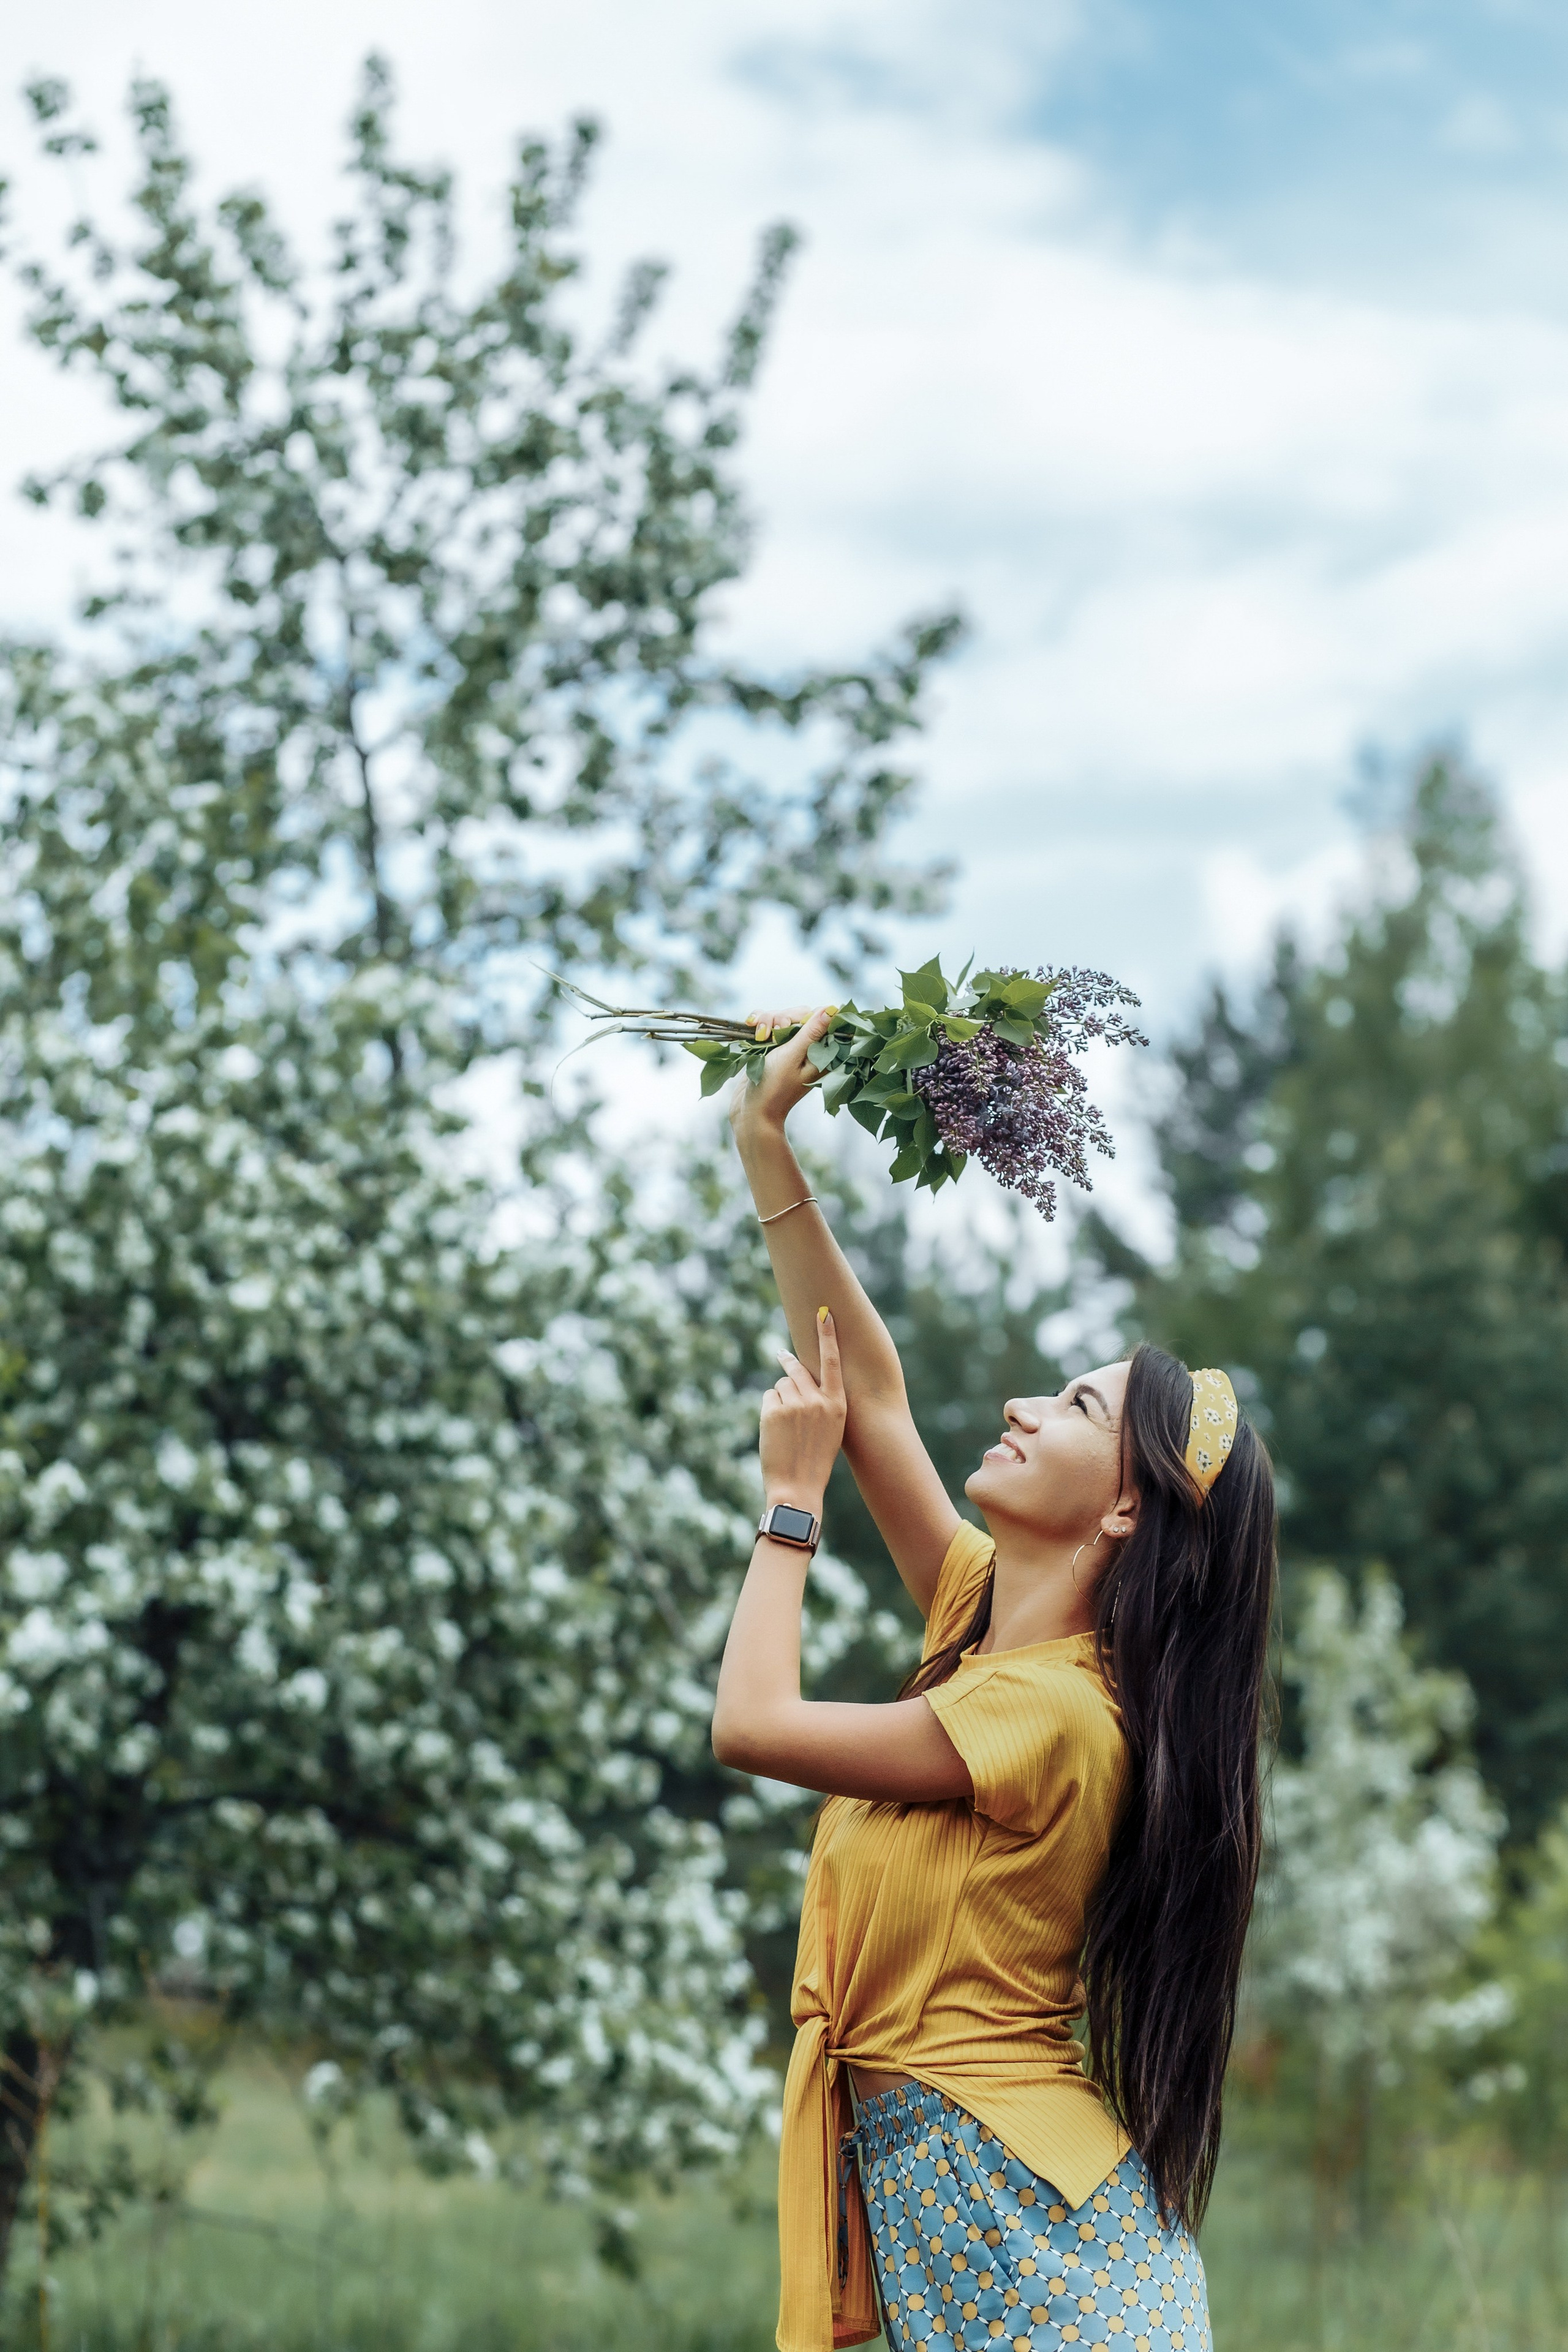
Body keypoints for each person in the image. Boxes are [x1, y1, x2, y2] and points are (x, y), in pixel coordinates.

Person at [712, 1006, 1278, 2352]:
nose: (1023, 1406)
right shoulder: (985, 1622)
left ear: (1127, 1511)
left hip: (1021, 2224)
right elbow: (875, 1399)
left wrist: (788, 1506)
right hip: (981, 2206)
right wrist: (762, 1142)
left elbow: (752, 1723)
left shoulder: (1055, 1715)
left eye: (1075, 1408)